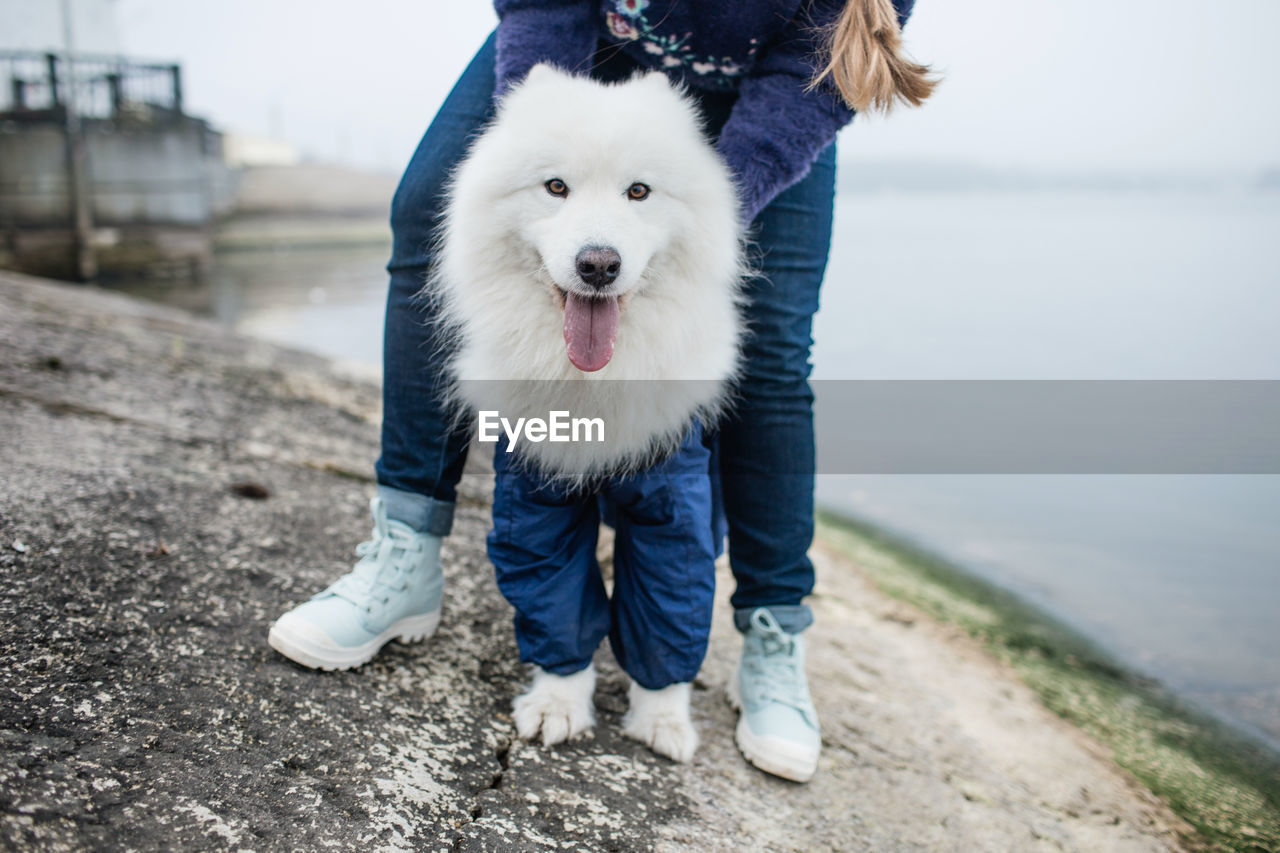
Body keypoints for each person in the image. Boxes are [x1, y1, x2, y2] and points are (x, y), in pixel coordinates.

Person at [269, 0, 933, 782]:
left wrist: (697, 216)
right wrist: (538, 132)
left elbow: (818, 66)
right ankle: (406, 552)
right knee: (427, 218)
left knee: (774, 346)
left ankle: (773, 634)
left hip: (778, 82)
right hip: (585, 37)